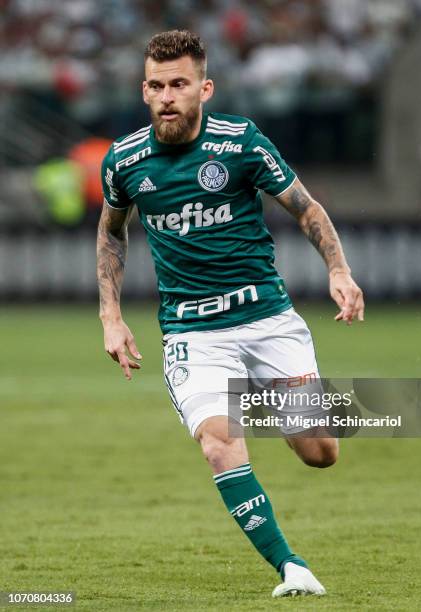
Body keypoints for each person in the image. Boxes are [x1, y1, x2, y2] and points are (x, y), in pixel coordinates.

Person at [97, 30, 364, 598]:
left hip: (267, 318)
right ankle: (291, 567)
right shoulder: (124, 160)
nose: (167, 95)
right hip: (192, 332)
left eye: (179, 84)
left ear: (204, 88)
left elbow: (305, 207)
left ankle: (252, 398)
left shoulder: (241, 142)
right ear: (144, 90)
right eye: (156, 85)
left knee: (321, 452)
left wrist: (338, 271)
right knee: (220, 440)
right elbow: (111, 234)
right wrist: (110, 314)